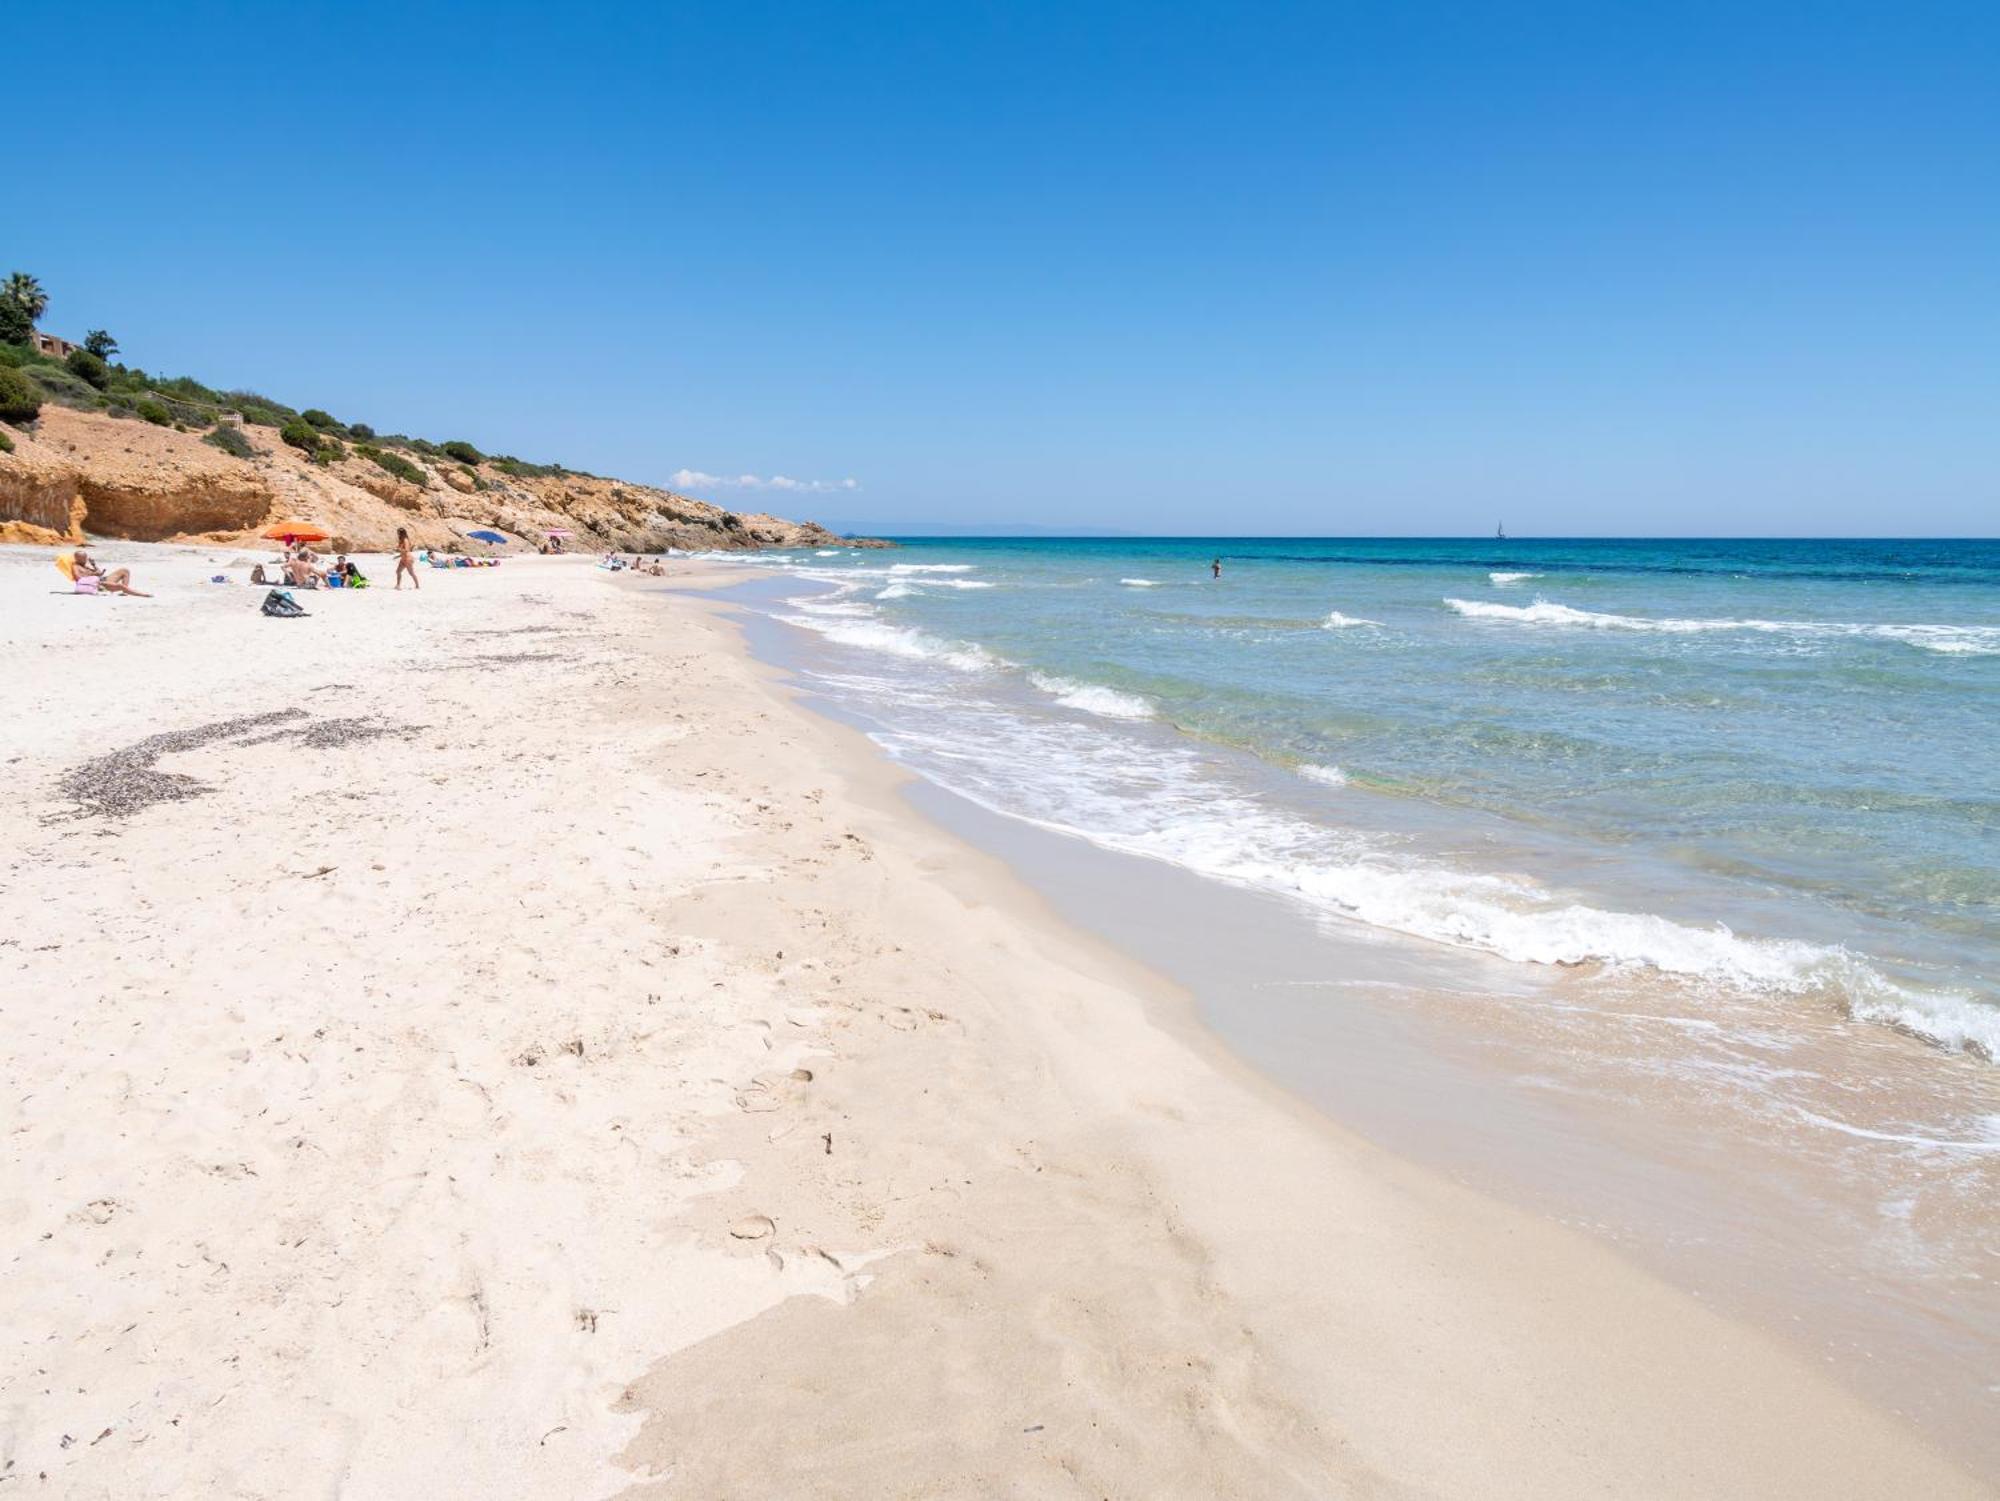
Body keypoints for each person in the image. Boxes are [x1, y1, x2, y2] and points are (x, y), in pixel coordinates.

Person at [72, 548, 151, 597]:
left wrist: (94, 565)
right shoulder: (76, 566)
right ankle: (142, 594)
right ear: (77, 558)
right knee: (120, 585)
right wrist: (93, 574)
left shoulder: (86, 565)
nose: (85, 560)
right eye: (83, 558)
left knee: (124, 570)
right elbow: (78, 578)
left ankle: (125, 592)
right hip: (97, 584)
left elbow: (99, 573)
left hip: (101, 579)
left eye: (85, 557)